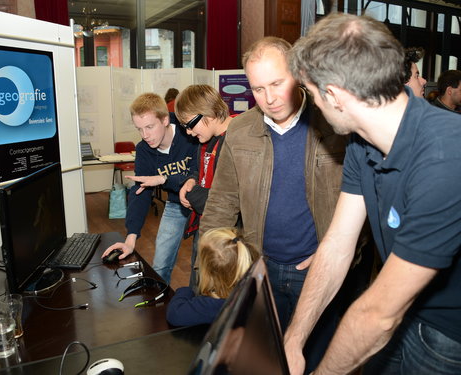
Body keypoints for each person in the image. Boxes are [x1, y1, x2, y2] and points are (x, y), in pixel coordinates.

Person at [285, 13, 461, 375]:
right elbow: (337, 245)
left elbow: (378, 315)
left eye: (313, 94)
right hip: (398, 306)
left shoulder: (447, 156)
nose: (314, 105)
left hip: (447, 332)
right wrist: (293, 338)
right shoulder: (360, 142)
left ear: (334, 95)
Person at [199, 36, 370, 372]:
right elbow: (221, 201)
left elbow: (364, 204)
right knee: (268, 359)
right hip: (260, 267)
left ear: (299, 74)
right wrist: (209, 268)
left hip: (320, 271)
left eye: (277, 83)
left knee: (318, 359)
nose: (270, 98)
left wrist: (335, 254)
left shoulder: (335, 125)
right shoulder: (241, 130)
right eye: (258, 88)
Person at [102, 93, 197, 284]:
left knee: (201, 267)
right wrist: (131, 238)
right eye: (139, 129)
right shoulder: (144, 150)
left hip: (203, 204)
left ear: (164, 119)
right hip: (175, 204)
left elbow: (197, 176)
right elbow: (140, 192)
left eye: (149, 127)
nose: (145, 135)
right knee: (160, 264)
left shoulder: (190, 135)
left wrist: (163, 179)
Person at [175, 84, 232, 287]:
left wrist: (192, 194)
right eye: (184, 128)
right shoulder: (207, 140)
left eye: (190, 125)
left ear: (208, 112)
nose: (189, 133)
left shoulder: (235, 142)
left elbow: (228, 201)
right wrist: (191, 179)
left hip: (224, 239)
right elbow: (199, 168)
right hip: (204, 227)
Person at [166, 227, 259, 326]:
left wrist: (185, 290)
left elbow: (175, 314)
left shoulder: (210, 306)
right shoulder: (253, 296)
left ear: (209, 272)